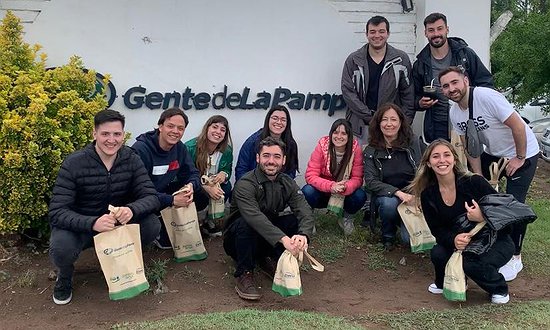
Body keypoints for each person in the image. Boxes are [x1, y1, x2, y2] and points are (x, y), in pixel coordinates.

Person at [48, 109, 161, 305]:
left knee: (151, 224)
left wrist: (131, 210)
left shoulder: (131, 158)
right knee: (61, 247)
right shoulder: (74, 163)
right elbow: (57, 212)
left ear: (123, 135)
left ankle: (120, 265)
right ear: (94, 134)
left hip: (117, 223)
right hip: (84, 226)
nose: (111, 140)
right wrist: (92, 223)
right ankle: (64, 276)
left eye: (117, 134)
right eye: (105, 134)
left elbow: (151, 196)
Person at [439, 66, 539, 282]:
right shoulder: (455, 112)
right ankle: (487, 243)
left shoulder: (487, 97)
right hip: (492, 154)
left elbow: (518, 126)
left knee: (512, 205)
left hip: (523, 151)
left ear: (465, 80)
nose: (451, 89)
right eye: (446, 86)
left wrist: (519, 157)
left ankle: (515, 256)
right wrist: (478, 175)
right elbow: (471, 147)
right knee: (477, 196)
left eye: (455, 82)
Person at [409, 139, 514, 304]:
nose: (442, 160)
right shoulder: (428, 194)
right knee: (438, 253)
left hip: (495, 239)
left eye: (446, 155)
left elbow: (506, 212)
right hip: (462, 243)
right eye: (436, 156)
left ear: (454, 160)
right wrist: (453, 240)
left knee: (471, 263)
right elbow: (437, 230)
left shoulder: (474, 182)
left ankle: (499, 288)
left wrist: (483, 215)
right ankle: (449, 280)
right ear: (429, 163)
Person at [224, 137, 314, 301]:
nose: (271, 161)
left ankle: (269, 259)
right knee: (247, 223)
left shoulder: (287, 182)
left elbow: (304, 210)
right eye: (266, 156)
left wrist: (304, 235)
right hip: (238, 240)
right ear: (258, 158)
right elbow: (254, 217)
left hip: (266, 237)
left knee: (294, 221)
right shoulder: (245, 183)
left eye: (276, 156)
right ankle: (244, 272)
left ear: (283, 160)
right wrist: (284, 239)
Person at [412, 12, 494, 143]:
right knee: (441, 162)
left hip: (467, 119)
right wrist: (419, 103)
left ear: (447, 30)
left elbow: (486, 83)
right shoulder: (420, 63)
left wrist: (475, 104)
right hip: (437, 124)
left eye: (440, 28)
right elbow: (412, 95)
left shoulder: (465, 54)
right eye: (431, 30)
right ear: (425, 33)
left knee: (469, 159)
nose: (436, 34)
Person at [132, 107, 203, 248]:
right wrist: (172, 200)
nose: (175, 131)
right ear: (160, 126)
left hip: (162, 193)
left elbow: (192, 173)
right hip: (141, 199)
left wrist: (190, 186)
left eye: (180, 128)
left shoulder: (179, 148)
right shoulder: (141, 149)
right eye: (170, 126)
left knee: (201, 195)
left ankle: (167, 229)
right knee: (151, 224)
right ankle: (156, 233)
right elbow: (138, 190)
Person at [341, 15, 414, 146]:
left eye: (381, 31)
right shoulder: (353, 60)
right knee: (359, 163)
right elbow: (348, 92)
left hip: (390, 127)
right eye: (372, 32)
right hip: (360, 125)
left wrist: (404, 123)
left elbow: (408, 94)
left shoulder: (401, 59)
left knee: (389, 164)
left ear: (388, 33)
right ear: (366, 34)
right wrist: (370, 116)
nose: (377, 35)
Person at [363, 103, 422, 250]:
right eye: (384, 119)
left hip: (413, 195)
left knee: (408, 241)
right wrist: (399, 193)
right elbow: (371, 181)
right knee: (389, 204)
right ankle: (387, 235)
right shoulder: (372, 149)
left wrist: (419, 194)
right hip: (388, 196)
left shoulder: (413, 143)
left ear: (401, 122)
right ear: (378, 123)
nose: (389, 124)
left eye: (394, 119)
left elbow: (424, 169)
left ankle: (403, 223)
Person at [302, 119, 366, 236]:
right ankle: (309, 220)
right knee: (307, 191)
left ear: (349, 135)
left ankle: (346, 219)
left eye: (343, 133)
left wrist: (345, 186)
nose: (339, 136)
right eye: (335, 132)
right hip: (323, 191)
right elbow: (310, 175)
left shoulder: (355, 149)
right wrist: (331, 186)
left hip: (343, 191)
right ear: (331, 133)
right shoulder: (322, 146)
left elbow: (357, 178)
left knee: (360, 196)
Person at [185, 115, 233, 236]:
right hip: (194, 185)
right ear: (207, 128)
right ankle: (195, 221)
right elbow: (185, 174)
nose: (218, 132)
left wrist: (224, 174)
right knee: (200, 195)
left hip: (213, 183)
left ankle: (210, 222)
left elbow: (228, 169)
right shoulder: (190, 147)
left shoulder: (226, 150)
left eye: (223, 130)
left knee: (226, 188)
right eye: (215, 127)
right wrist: (204, 187)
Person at [235, 105, 299, 180]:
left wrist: (281, 187)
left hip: (279, 187)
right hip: (253, 185)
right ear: (268, 119)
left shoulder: (291, 144)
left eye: (283, 120)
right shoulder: (252, 141)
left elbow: (291, 172)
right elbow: (241, 169)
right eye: (275, 118)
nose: (279, 122)